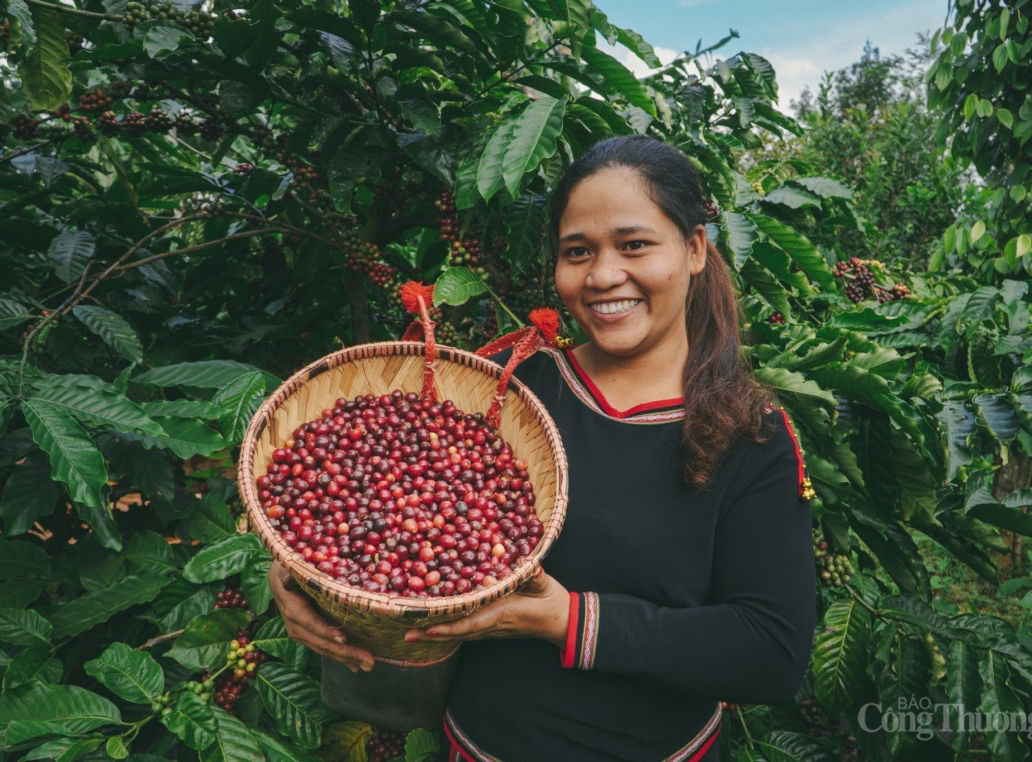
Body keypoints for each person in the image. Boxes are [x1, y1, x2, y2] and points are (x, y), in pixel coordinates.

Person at [269, 134, 817, 760]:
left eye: (634, 245)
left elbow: (770, 654)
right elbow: (375, 507)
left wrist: (566, 621)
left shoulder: (751, 433)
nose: (604, 275)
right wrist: (296, 577)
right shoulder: (509, 382)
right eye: (577, 252)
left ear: (694, 249)